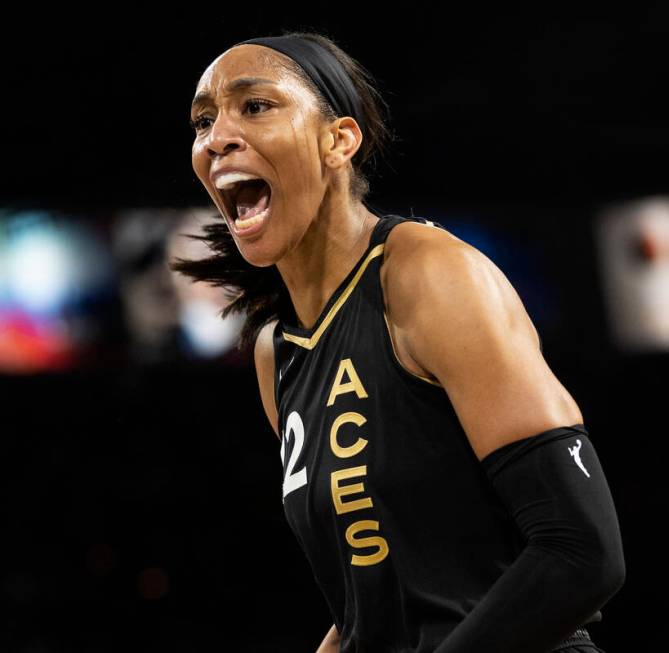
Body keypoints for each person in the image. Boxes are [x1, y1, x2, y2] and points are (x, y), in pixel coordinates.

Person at [173, 31, 624, 653]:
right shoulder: (275, 351)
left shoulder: (427, 273)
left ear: (339, 140)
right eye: (202, 120)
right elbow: (374, 606)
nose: (216, 135)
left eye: (254, 106)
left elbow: (582, 552)